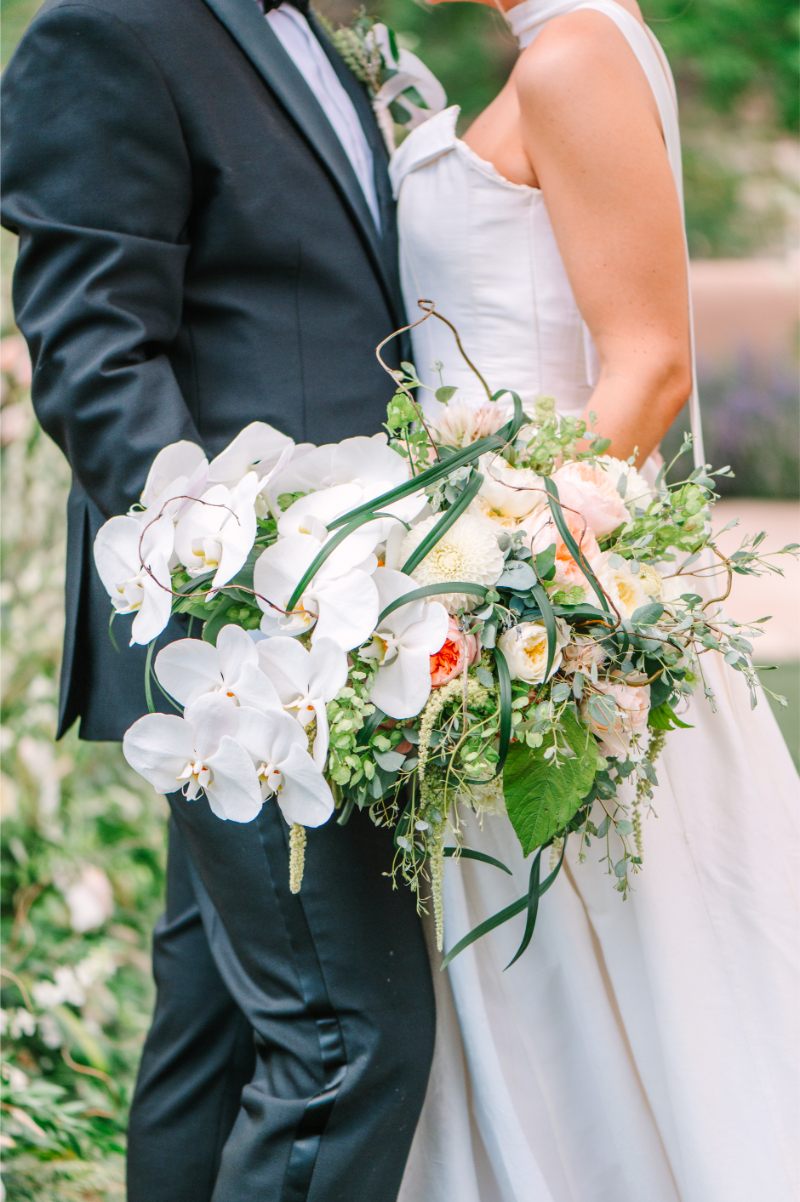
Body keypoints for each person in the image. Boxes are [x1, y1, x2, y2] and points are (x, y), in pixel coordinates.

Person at [1, 1, 435, 1199]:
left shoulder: (319, 37)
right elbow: (94, 352)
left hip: (347, 616)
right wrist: (235, 585)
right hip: (254, 648)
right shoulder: (109, 29)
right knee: (347, 1043)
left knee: (218, 1029)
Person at [390, 1, 800, 1199]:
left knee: (609, 998)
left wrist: (513, 594)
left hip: (545, 625)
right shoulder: (573, 40)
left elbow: (649, 366)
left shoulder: (572, 56)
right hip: (507, 601)